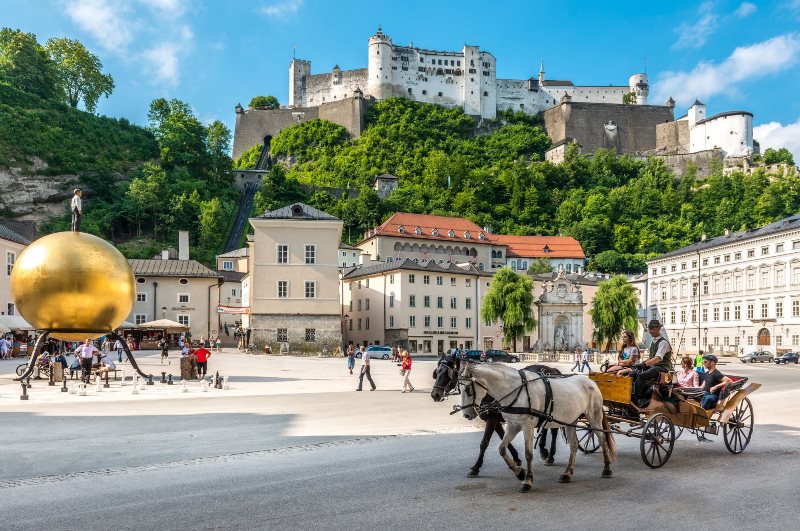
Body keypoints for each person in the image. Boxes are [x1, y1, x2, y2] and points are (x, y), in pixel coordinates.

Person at [627, 319, 673, 407]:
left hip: (662, 368)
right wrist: (641, 364)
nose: (650, 331)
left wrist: (644, 364)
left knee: (642, 376)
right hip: (654, 366)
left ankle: (637, 398)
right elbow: (651, 357)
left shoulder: (663, 342)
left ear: (658, 329)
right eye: (649, 329)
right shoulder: (653, 341)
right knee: (633, 373)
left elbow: (658, 358)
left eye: (652, 329)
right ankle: (630, 393)